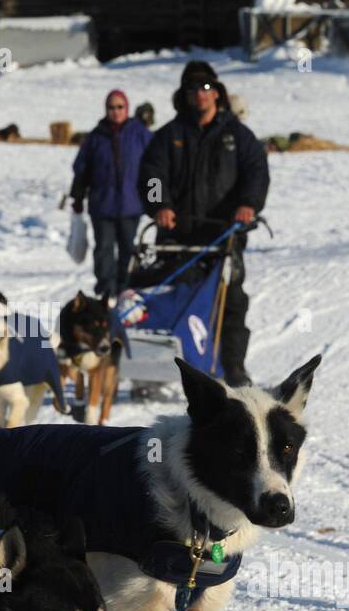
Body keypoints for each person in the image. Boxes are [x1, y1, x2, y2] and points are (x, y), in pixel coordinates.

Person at [138, 60, 269, 387]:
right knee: (172, 296)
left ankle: (233, 368)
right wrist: (160, 205)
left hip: (224, 235)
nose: (201, 94)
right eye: (193, 89)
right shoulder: (170, 135)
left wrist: (247, 205)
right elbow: (152, 174)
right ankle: (158, 367)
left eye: (207, 88)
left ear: (218, 93)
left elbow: (256, 172)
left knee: (231, 301)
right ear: (184, 95)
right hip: (178, 234)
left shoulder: (237, 136)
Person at [69, 89, 153, 301]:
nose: (115, 111)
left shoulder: (140, 134)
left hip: (131, 205)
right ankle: (106, 290)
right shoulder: (95, 137)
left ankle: (127, 288)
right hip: (102, 205)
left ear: (127, 108)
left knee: (128, 249)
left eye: (119, 107)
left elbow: (156, 169)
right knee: (104, 250)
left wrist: (156, 200)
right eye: (111, 107)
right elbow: (81, 169)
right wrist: (77, 198)